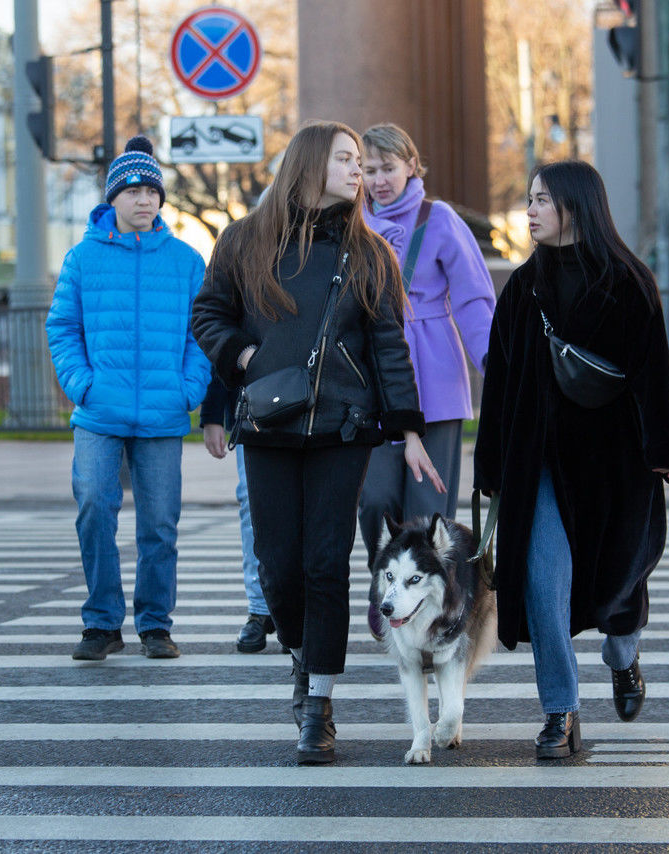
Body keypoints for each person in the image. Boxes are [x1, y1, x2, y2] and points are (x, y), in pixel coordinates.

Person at [191, 121, 445, 765]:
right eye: (345, 159)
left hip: (345, 428)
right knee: (277, 564)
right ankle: (303, 659)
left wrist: (408, 427)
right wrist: (243, 355)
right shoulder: (245, 240)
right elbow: (207, 314)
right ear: (308, 165)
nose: (358, 170)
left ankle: (319, 707)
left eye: (361, 161)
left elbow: (389, 344)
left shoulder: (369, 252)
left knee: (326, 565)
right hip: (270, 425)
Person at [473, 160, 669, 760]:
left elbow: (653, 376)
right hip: (537, 464)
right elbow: (502, 386)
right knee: (545, 584)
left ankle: (624, 658)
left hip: (613, 466)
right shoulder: (521, 288)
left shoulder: (628, 282)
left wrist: (664, 453)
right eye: (530, 200)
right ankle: (559, 713)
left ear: (575, 206)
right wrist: (489, 467)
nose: (530, 211)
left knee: (617, 585)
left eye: (541, 200)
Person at [46, 135, 212, 662]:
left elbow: (202, 334)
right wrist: (82, 384)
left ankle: (156, 625)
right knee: (95, 507)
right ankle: (101, 623)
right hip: (99, 411)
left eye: (152, 191)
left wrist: (188, 390)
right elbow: (62, 328)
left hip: (163, 413)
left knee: (160, 524)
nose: (144, 199)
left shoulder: (186, 261)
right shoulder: (82, 258)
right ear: (112, 199)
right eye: (134, 190)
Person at [357, 123, 495, 639]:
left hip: (434, 376)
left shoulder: (439, 220)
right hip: (373, 379)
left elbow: (474, 301)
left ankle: (426, 605)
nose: (378, 180)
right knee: (373, 498)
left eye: (388, 168)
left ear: (412, 165)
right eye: (368, 170)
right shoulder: (353, 223)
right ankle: (383, 585)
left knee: (428, 509)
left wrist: (495, 373)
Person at [200, 376, 276, 652]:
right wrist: (212, 415)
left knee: (306, 508)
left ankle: (296, 610)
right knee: (252, 506)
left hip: (314, 405)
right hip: (252, 407)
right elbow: (225, 340)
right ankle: (260, 609)